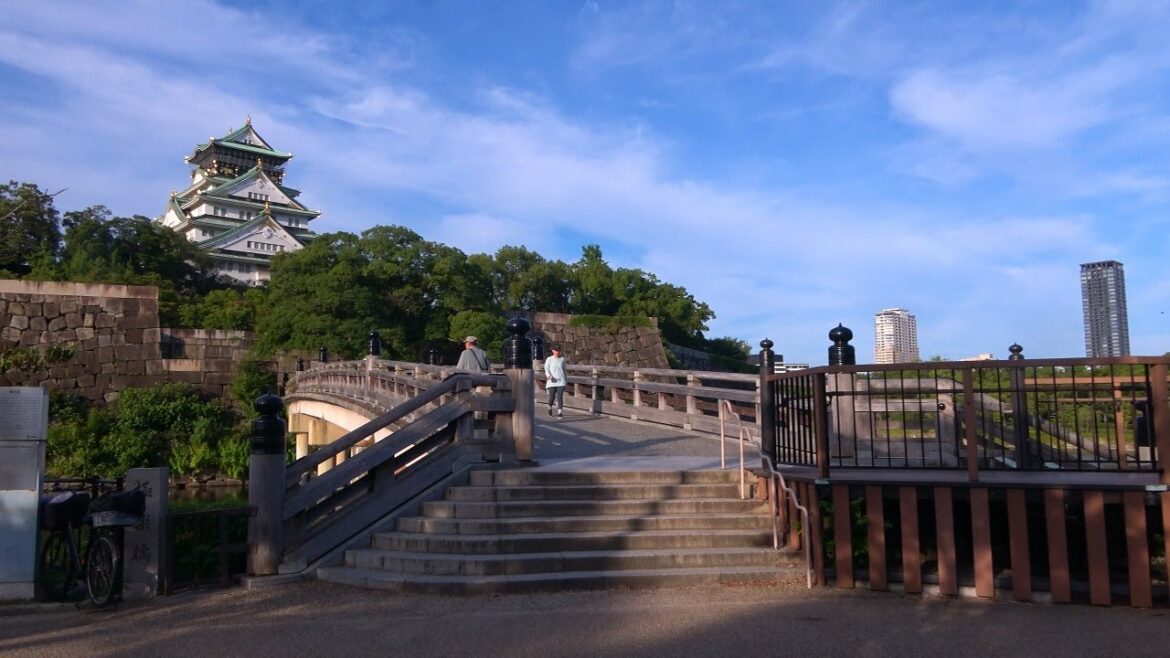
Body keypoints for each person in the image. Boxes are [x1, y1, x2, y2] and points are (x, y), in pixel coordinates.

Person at [544, 344, 566, 417]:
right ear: (552, 350)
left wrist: (565, 380)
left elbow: (564, 371)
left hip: (561, 381)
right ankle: (550, 407)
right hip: (552, 381)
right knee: (552, 397)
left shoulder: (562, 359)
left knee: (559, 397)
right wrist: (548, 376)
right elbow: (546, 369)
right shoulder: (549, 359)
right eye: (556, 350)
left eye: (558, 350)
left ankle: (560, 412)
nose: (557, 352)